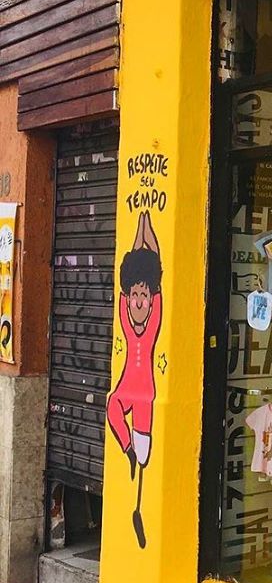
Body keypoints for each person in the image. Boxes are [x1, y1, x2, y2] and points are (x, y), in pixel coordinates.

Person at [106, 211, 163, 548]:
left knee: (145, 458)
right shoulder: (126, 319)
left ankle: (139, 509)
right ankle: (127, 449)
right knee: (112, 407)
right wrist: (138, 233)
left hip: (147, 396)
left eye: (144, 295)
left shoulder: (153, 321)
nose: (139, 301)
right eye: (134, 295)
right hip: (127, 388)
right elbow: (133, 267)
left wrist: (147, 228)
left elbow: (153, 263)